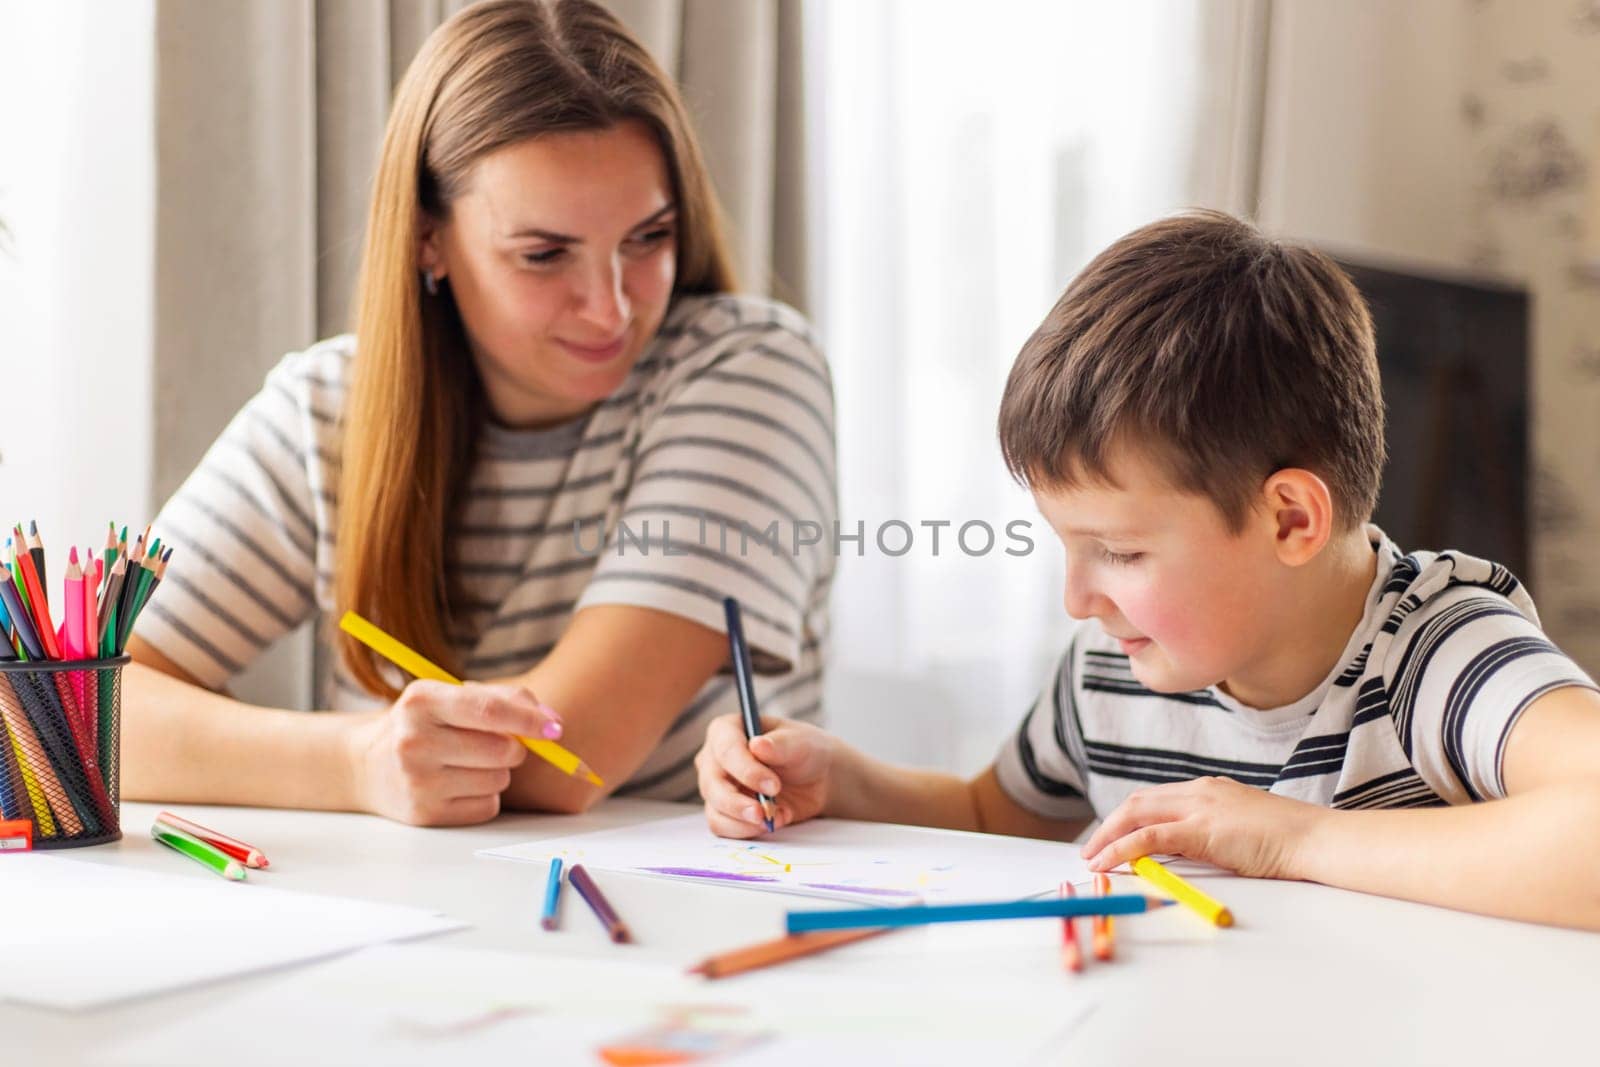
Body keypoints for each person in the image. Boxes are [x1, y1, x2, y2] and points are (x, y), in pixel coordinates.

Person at [695, 210, 1600, 930]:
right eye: (1068, 545)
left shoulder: (1438, 652)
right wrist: (842, 780)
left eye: (1120, 552)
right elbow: (993, 815)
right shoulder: (1116, 667)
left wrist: (1298, 842)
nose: (1078, 597)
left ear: (1290, 518)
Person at [124, 0, 835, 826]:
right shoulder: (326, 407)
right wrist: (355, 763)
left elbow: (565, 759)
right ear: (429, 239)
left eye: (648, 237)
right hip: (406, 913)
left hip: (685, 909)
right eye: (543, 254)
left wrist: (351, 758)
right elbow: (69, 712)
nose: (609, 310)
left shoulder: (751, 370)